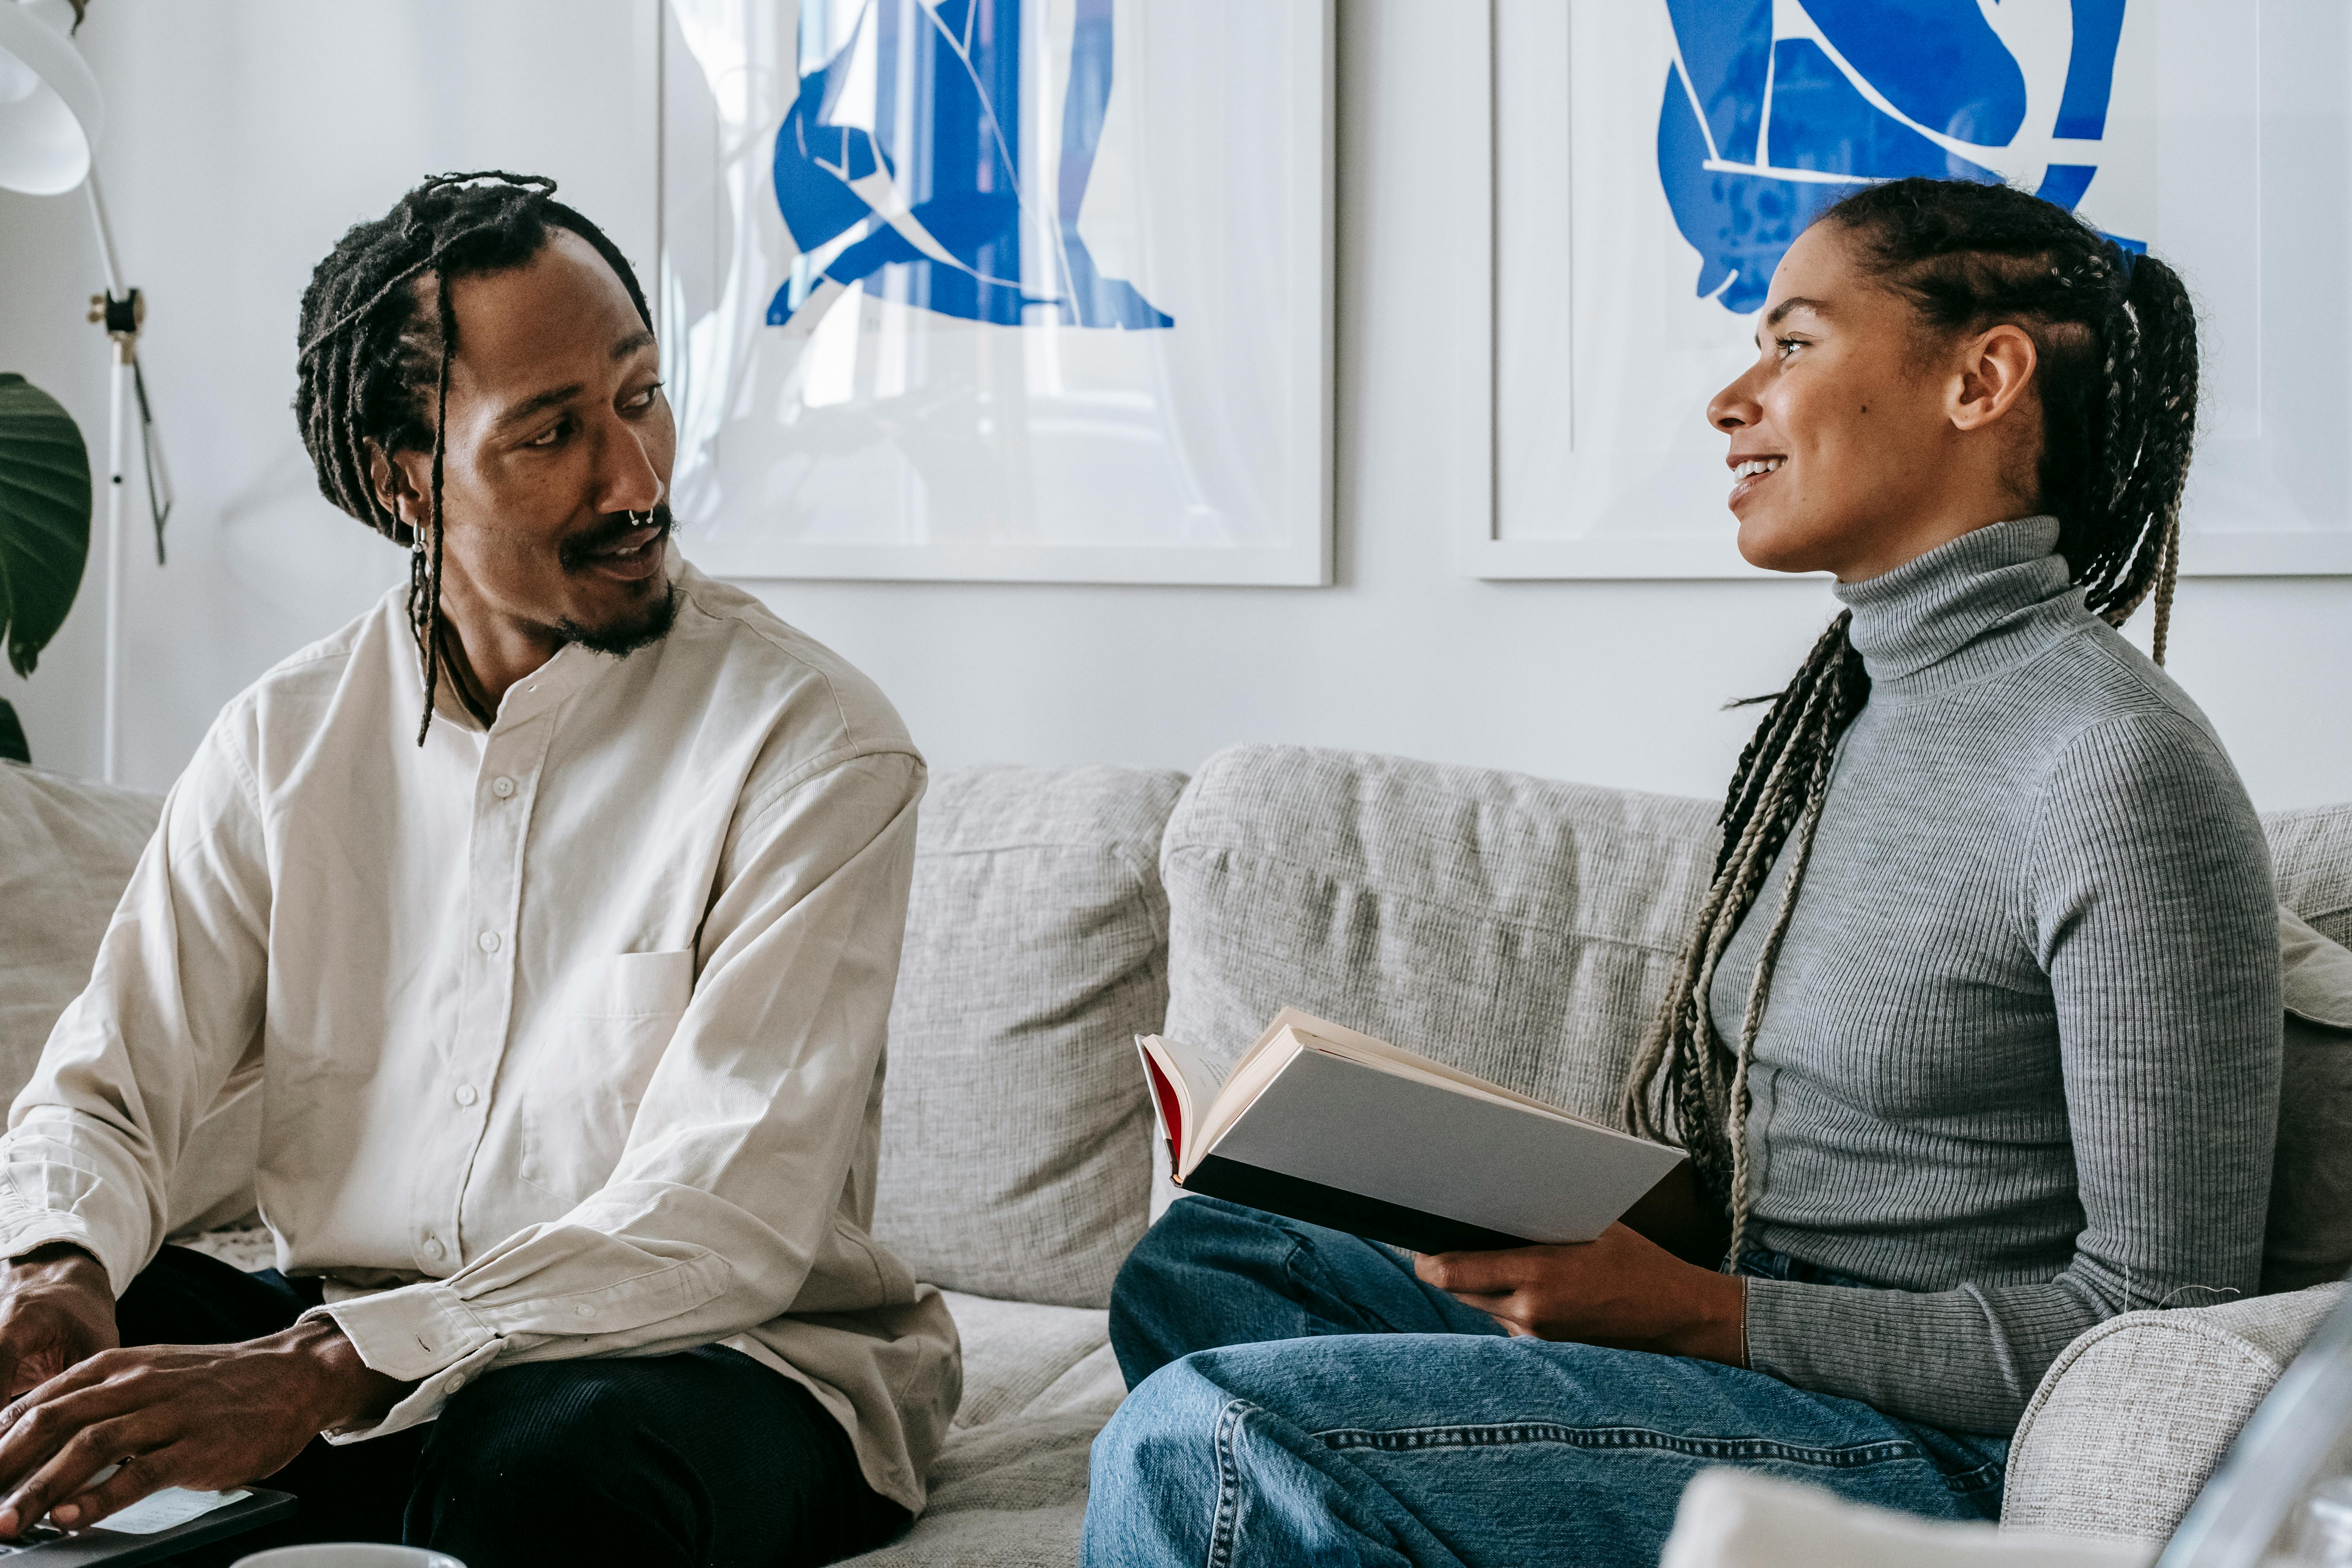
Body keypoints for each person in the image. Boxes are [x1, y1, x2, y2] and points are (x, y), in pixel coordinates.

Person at [1083, 176, 2281, 1566]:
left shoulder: (2116, 769)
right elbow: (1797, 1169)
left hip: (1945, 1456)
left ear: (1982, 379)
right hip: (1753, 1346)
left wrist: (1695, 1315)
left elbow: (2163, 1327)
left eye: (1790, 344)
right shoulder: (1855, 716)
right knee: (1222, 1256)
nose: (1732, 399)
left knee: (1217, 1434)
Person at [0, 172, 956, 1567]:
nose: (635, 480)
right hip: (353, 1342)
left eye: (639, 399)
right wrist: (55, 1279)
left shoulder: (812, 747)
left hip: (711, 1364)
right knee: (53, 1381)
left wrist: (321, 1373)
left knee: (547, 1472)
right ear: (405, 479)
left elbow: (717, 1226)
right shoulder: (283, 740)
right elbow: (107, 1091)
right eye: (553, 435)